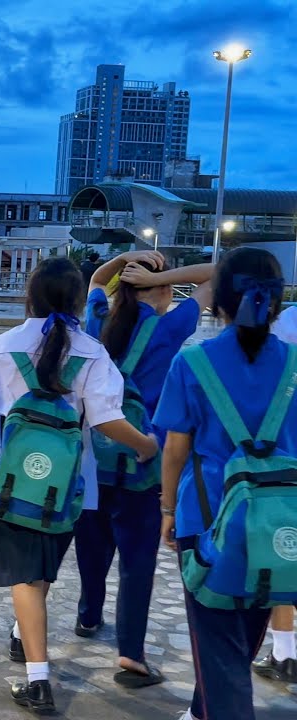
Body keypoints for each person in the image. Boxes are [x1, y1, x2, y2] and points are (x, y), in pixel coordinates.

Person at [0, 257, 158, 713]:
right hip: (70, 488)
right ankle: (24, 634)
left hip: (9, 482)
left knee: (25, 575)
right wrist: (147, 446)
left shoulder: (4, 345)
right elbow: (107, 420)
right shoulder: (93, 351)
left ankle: (38, 679)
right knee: (41, 573)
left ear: (30, 296)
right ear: (79, 302)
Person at [155, 248, 297, 720]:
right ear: (275, 302)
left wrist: (168, 509)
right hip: (277, 525)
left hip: (208, 519)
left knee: (217, 645)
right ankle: (201, 710)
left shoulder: (193, 363)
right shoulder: (295, 366)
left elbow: (176, 449)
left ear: (221, 302)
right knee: (244, 628)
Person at [73, 250, 215, 687]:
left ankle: (88, 615)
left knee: (92, 545)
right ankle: (131, 653)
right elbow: (219, 272)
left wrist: (127, 260)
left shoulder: (98, 317)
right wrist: (164, 273)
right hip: (144, 459)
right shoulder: (171, 326)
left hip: (94, 456)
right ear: (167, 292)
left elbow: (97, 278)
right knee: (137, 561)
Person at [253, 305, 297, 684]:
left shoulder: (288, 322)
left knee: (283, 557)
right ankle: (283, 652)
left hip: (284, 463)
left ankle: (285, 651)